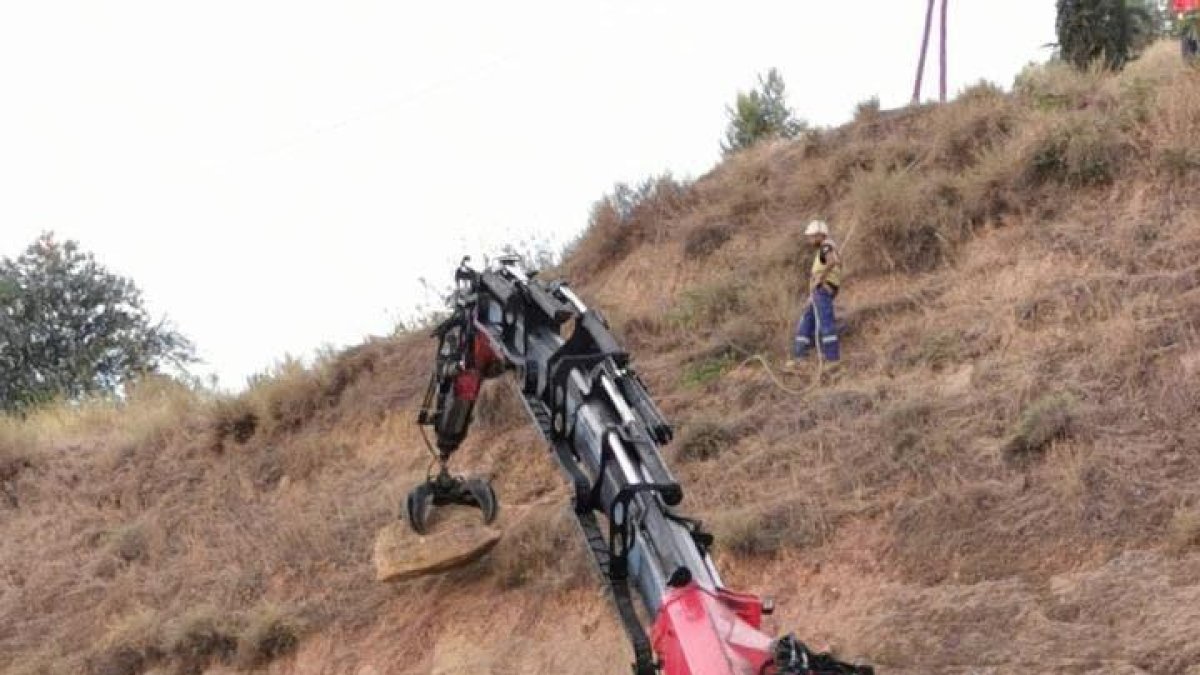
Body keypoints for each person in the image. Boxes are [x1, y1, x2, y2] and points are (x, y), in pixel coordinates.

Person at [787, 219, 842, 367]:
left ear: (820, 235)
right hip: (818, 292)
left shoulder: (826, 246)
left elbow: (832, 262)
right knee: (806, 320)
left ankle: (832, 359)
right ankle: (799, 357)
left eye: (812, 236)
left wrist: (820, 280)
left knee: (826, 322)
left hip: (822, 290)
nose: (810, 239)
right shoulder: (823, 249)